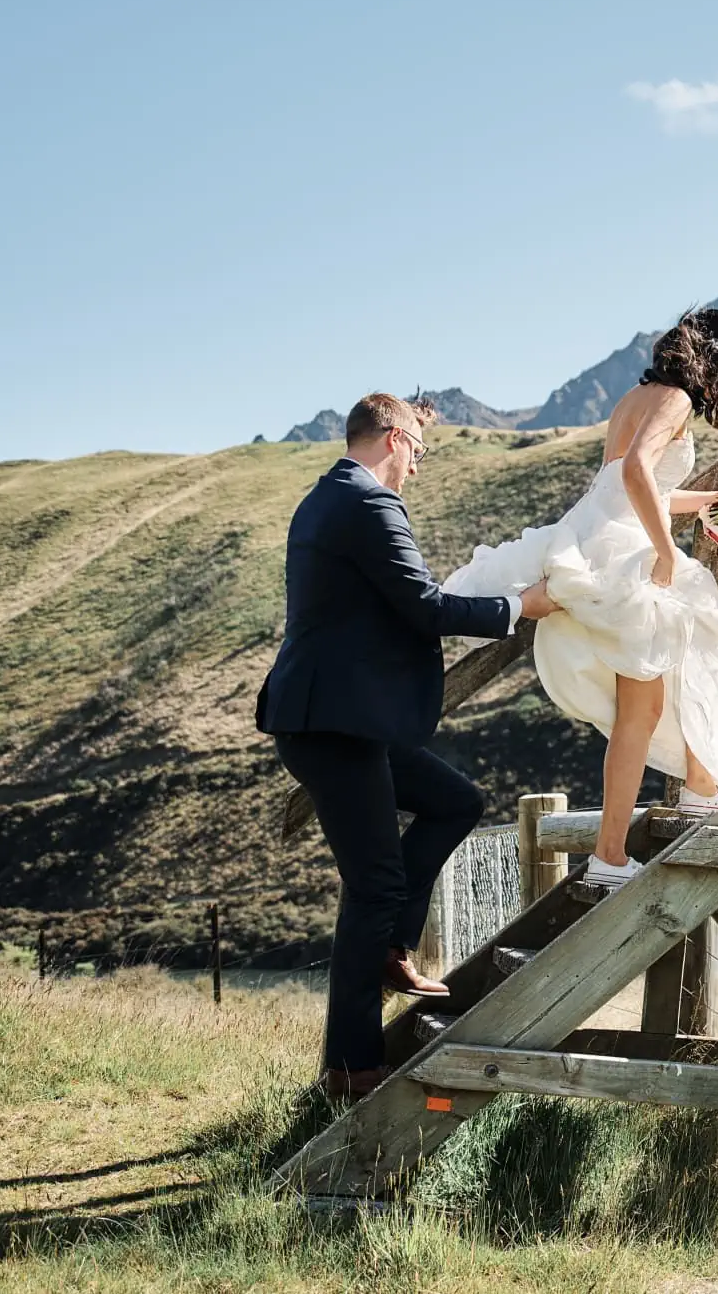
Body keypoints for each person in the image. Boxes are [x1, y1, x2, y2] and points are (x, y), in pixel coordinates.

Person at [256, 391, 558, 1102]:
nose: (418, 468)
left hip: (336, 717)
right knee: (374, 885)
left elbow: (386, 606)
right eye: (419, 451)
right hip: (335, 724)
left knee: (454, 801)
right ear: (393, 438)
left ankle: (390, 948)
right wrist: (521, 606)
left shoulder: (327, 497)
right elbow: (421, 607)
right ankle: (352, 1071)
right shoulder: (367, 503)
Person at [443, 308, 718, 887]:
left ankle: (687, 797)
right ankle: (630, 843)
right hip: (625, 553)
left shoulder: (638, 398)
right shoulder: (678, 400)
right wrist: (665, 553)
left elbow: (636, 488)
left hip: (599, 536)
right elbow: (638, 474)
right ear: (717, 359)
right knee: (672, 679)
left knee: (648, 706)